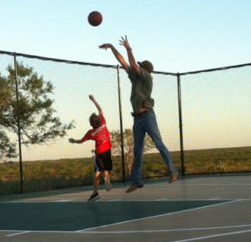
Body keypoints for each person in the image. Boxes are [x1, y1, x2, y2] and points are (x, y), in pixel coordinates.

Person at [100, 36, 178, 192]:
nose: (137, 68)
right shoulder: (135, 78)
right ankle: (136, 181)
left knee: (158, 143)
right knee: (137, 150)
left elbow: (133, 64)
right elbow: (124, 62)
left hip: (148, 116)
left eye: (141, 67)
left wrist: (129, 48)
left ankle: (173, 172)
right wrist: (112, 48)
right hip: (137, 119)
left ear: (145, 70)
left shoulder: (147, 78)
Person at [68, 95, 112, 201]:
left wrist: (73, 141)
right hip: (108, 150)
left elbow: (81, 141)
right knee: (105, 168)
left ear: (91, 124)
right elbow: (100, 109)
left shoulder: (91, 133)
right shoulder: (103, 122)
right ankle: (106, 176)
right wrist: (93, 100)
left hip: (99, 153)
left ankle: (95, 193)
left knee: (97, 172)